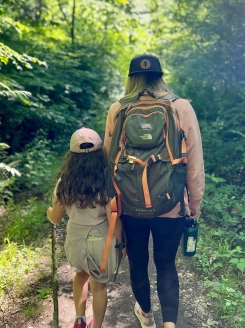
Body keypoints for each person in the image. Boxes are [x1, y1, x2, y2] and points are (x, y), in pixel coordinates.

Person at [104, 54, 205, 328]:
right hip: (171, 204)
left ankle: (146, 318)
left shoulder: (117, 110)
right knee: (166, 265)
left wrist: (112, 210)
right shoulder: (181, 107)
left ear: (131, 78)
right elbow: (194, 164)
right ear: (160, 76)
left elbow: (109, 162)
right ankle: (170, 325)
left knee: (138, 263)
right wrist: (193, 204)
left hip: (130, 206)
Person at [47, 127, 126, 328]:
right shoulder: (106, 181)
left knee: (80, 275)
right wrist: (123, 243)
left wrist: (49, 211)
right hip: (100, 242)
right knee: (99, 287)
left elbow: (56, 218)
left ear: (71, 156)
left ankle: (80, 318)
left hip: (76, 241)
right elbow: (113, 218)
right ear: (100, 153)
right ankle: (96, 326)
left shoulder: (64, 182)